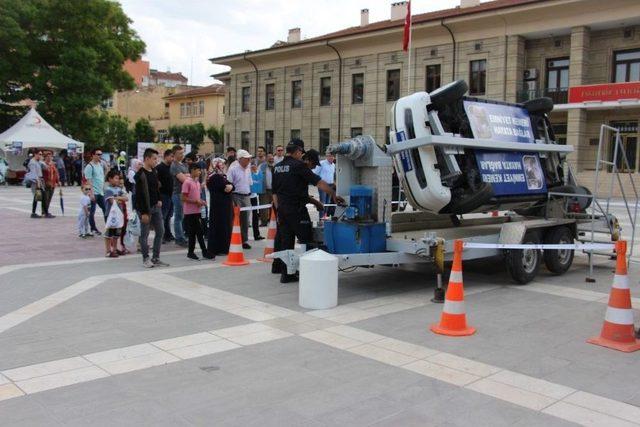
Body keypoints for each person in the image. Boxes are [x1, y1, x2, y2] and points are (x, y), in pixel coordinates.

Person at [272, 139, 344, 283]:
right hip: (297, 210)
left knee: (287, 242)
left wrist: (278, 211)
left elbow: (274, 193)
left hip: (283, 210)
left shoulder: (277, 167)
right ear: (298, 151)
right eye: (300, 152)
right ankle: (310, 270)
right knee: (308, 239)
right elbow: (319, 182)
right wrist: (334, 194)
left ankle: (287, 274)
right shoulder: (299, 166)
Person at [134, 148, 168, 268]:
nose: (156, 161)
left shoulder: (154, 171)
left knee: (160, 231)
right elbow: (139, 195)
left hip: (156, 207)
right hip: (145, 209)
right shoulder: (140, 175)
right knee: (144, 234)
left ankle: (156, 257)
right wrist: (143, 212)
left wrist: (159, 199)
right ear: (147, 159)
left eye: (157, 159)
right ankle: (145, 258)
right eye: (154, 159)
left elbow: (156, 187)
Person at [182, 163, 213, 261]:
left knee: (193, 233)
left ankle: (191, 252)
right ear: (192, 170)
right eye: (198, 170)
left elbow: (197, 197)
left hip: (197, 210)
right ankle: (204, 252)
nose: (200, 172)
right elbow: (183, 198)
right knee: (199, 232)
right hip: (189, 212)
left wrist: (201, 202)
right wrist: (195, 201)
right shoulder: (187, 182)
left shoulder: (197, 183)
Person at [207, 158, 234, 255]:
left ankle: (223, 247)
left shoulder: (220, 176)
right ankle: (221, 248)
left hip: (223, 207)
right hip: (220, 207)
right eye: (223, 165)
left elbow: (231, 186)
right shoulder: (215, 177)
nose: (225, 166)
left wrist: (230, 186)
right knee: (221, 227)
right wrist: (230, 186)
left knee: (224, 227)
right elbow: (225, 187)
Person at [227, 149, 253, 249]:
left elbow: (250, 182)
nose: (249, 161)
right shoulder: (233, 169)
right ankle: (233, 239)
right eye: (247, 159)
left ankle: (244, 240)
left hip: (246, 195)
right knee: (235, 218)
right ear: (240, 159)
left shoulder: (248, 168)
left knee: (245, 219)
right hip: (236, 195)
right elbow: (229, 183)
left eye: (249, 159)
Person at [103, 170, 128, 258]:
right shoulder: (108, 189)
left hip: (119, 214)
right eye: (116, 178)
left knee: (117, 233)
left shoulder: (119, 189)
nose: (117, 180)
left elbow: (126, 198)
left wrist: (117, 198)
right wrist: (119, 199)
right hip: (110, 214)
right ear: (110, 179)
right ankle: (108, 251)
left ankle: (114, 249)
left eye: (118, 178)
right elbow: (111, 201)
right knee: (108, 233)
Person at [170, 145, 189, 247]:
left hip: (184, 193)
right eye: (180, 153)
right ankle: (179, 238)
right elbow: (184, 179)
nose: (182, 155)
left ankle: (181, 236)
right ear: (174, 154)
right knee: (178, 216)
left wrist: (187, 175)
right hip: (178, 193)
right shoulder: (174, 165)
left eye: (182, 153)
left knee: (182, 216)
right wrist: (187, 176)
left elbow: (189, 176)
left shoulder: (183, 164)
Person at [84, 149, 106, 235]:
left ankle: (109, 227)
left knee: (106, 209)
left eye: (101, 154)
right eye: (98, 154)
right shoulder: (90, 166)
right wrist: (91, 193)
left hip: (100, 192)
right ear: (93, 155)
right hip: (94, 193)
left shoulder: (100, 164)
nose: (100, 156)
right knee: (92, 212)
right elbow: (88, 181)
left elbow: (102, 177)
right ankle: (93, 228)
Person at [155, 149, 175, 243]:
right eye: (171, 156)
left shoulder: (172, 167)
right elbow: (156, 182)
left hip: (172, 195)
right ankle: (161, 235)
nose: (172, 158)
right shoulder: (159, 168)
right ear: (165, 156)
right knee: (163, 216)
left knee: (169, 216)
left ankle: (168, 234)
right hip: (164, 195)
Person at [314, 152, 336, 218]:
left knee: (328, 202)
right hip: (323, 185)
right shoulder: (321, 163)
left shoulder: (333, 165)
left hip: (330, 185)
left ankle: (325, 216)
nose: (331, 157)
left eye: (332, 156)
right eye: (329, 156)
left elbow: (333, 175)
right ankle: (321, 218)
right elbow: (316, 173)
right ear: (327, 156)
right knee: (322, 202)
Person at [25, 150, 45, 218]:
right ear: (35, 154)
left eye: (41, 154)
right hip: (36, 182)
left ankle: (43, 212)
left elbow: (45, 167)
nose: (40, 155)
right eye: (39, 154)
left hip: (39, 180)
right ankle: (33, 213)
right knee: (36, 197)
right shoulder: (32, 163)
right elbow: (34, 173)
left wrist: (41, 161)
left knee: (41, 197)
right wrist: (38, 183)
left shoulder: (38, 161)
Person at [42, 151, 59, 218]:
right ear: (45, 157)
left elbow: (56, 173)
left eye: (50, 156)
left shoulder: (52, 164)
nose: (49, 158)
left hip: (52, 183)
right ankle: (45, 212)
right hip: (46, 183)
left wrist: (57, 181)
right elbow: (42, 175)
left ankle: (46, 211)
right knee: (45, 198)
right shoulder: (43, 164)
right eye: (47, 156)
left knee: (49, 198)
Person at [249, 163, 264, 241]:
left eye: (254, 166)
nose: (253, 168)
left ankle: (256, 234)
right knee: (245, 216)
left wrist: (255, 172)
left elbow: (259, 181)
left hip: (254, 196)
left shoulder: (257, 173)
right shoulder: (247, 173)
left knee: (255, 216)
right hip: (246, 196)